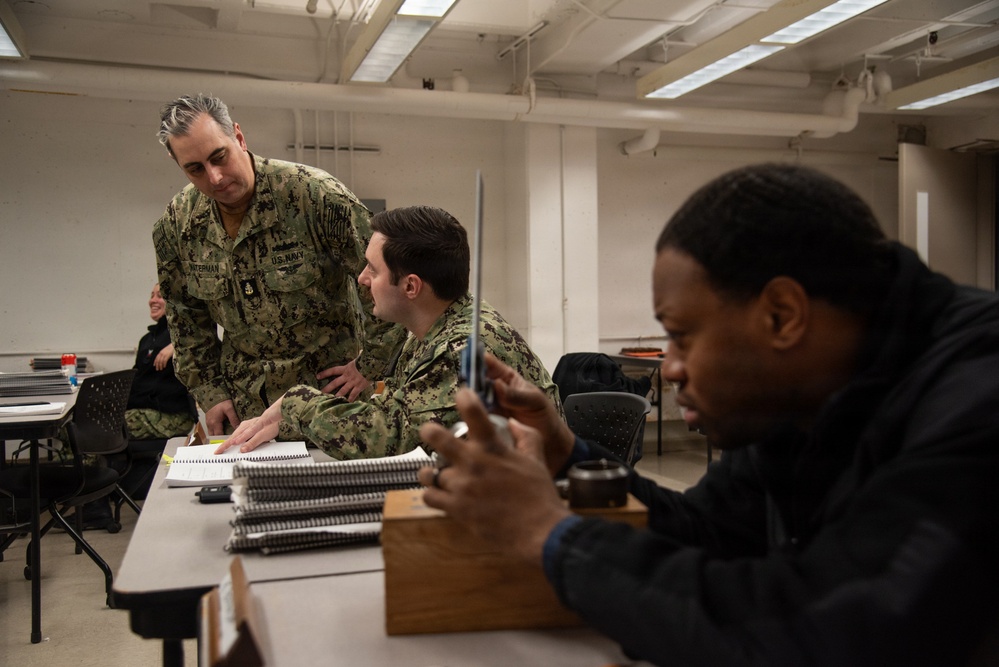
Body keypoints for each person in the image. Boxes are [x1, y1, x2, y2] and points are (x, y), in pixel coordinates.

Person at [416, 164, 999, 666]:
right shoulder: (802, 392)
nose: (668, 368)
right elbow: (710, 529)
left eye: (681, 336)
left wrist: (547, 533)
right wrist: (565, 451)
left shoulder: (976, 400)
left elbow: (831, 636)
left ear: (781, 315)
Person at [217, 205, 561, 460]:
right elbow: (395, 411)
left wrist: (295, 404)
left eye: (373, 268)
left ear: (411, 286)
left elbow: (390, 438)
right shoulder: (429, 330)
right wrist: (287, 423)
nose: (362, 278)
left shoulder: (462, 348)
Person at [152, 94, 404, 436]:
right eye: (195, 168)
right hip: (244, 412)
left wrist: (369, 365)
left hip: (331, 403)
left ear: (238, 137)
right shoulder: (178, 224)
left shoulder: (314, 196)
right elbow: (185, 318)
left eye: (219, 157)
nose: (214, 178)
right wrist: (209, 393)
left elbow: (386, 280)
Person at [124, 283, 197, 439]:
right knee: (87, 422)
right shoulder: (147, 339)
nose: (153, 300)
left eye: (160, 295)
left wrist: (177, 346)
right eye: (152, 295)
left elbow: (203, 343)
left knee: (109, 427)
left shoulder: (184, 337)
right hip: (143, 408)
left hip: (172, 414)